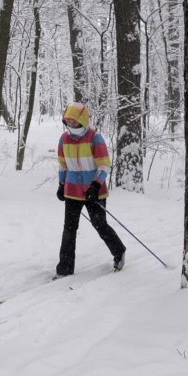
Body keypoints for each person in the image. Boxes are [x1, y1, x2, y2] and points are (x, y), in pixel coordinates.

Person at [55, 102, 126, 278]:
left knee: (100, 225)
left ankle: (119, 251)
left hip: (94, 191)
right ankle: (65, 268)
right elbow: (63, 165)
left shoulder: (95, 138)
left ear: (83, 120)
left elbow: (104, 165)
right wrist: (61, 185)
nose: (71, 124)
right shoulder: (63, 139)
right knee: (69, 229)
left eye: (74, 121)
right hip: (72, 191)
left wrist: (95, 185)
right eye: (68, 121)